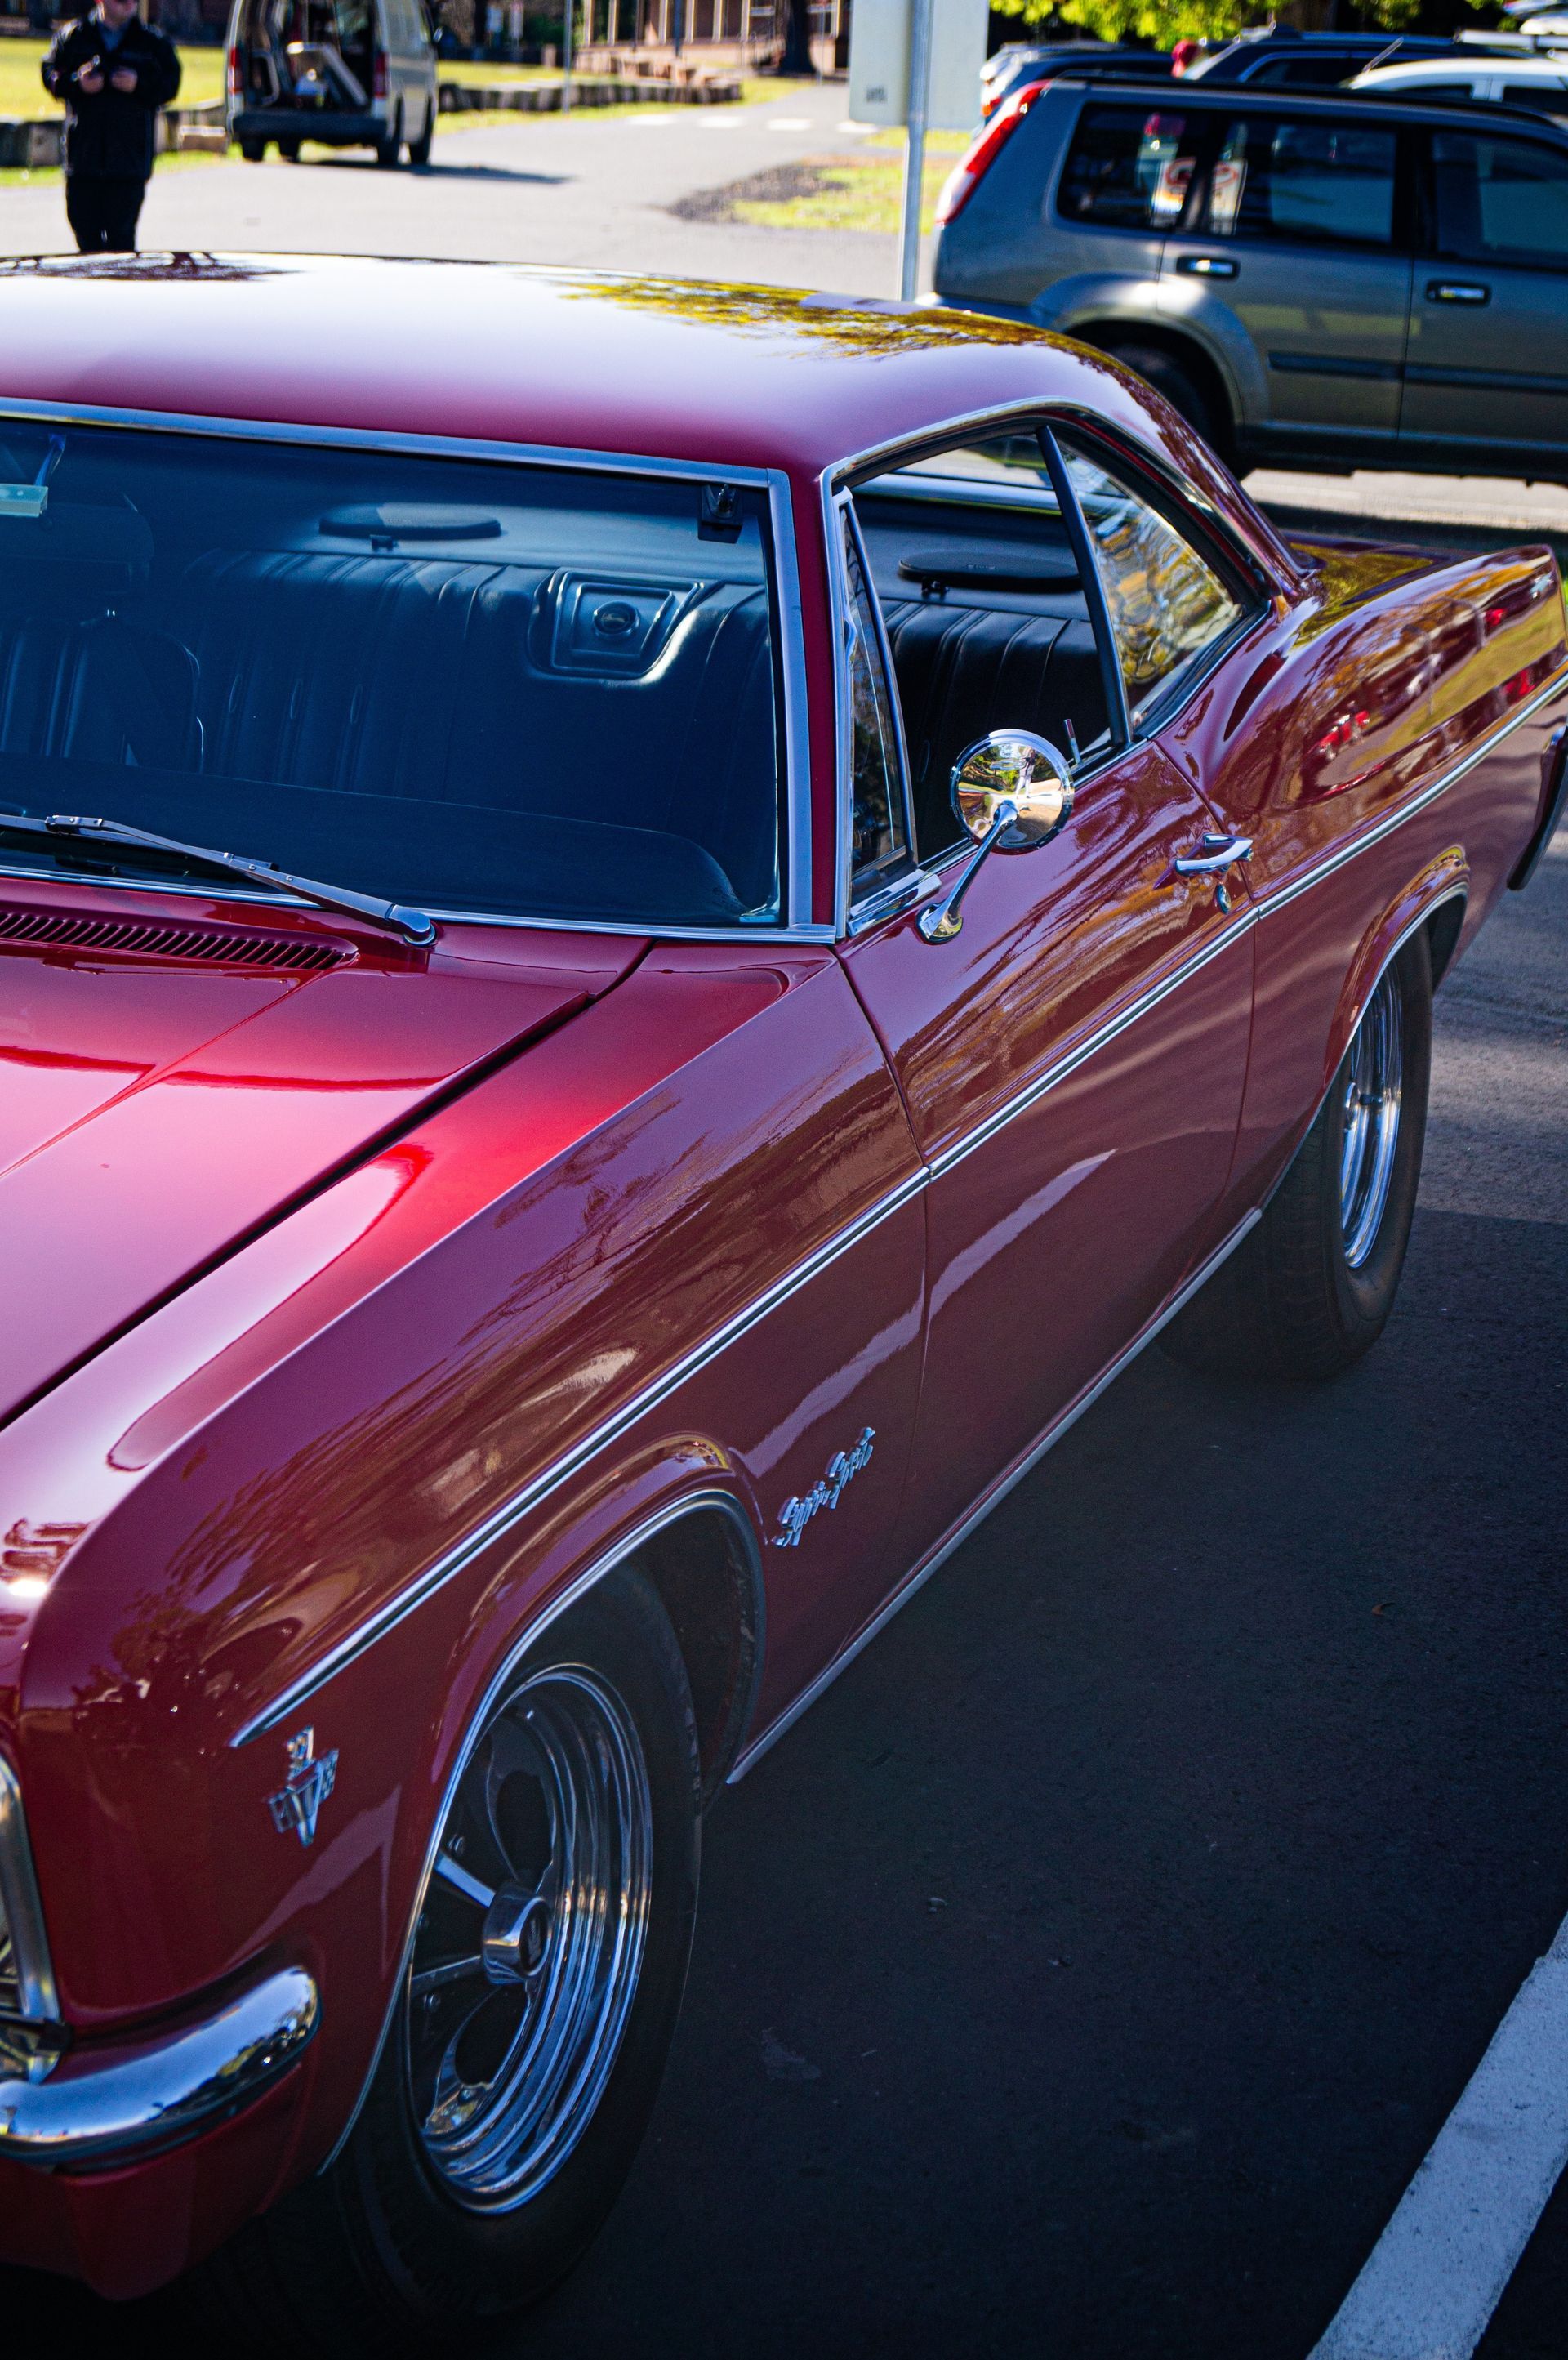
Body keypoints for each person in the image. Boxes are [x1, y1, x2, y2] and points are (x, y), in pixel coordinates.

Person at [42, 0, 181, 256]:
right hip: (84, 159)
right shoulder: (75, 36)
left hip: (128, 162)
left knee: (122, 239)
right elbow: (50, 73)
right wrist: (77, 83)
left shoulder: (151, 41)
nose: (129, 3)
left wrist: (138, 84)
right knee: (84, 232)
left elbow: (171, 83)